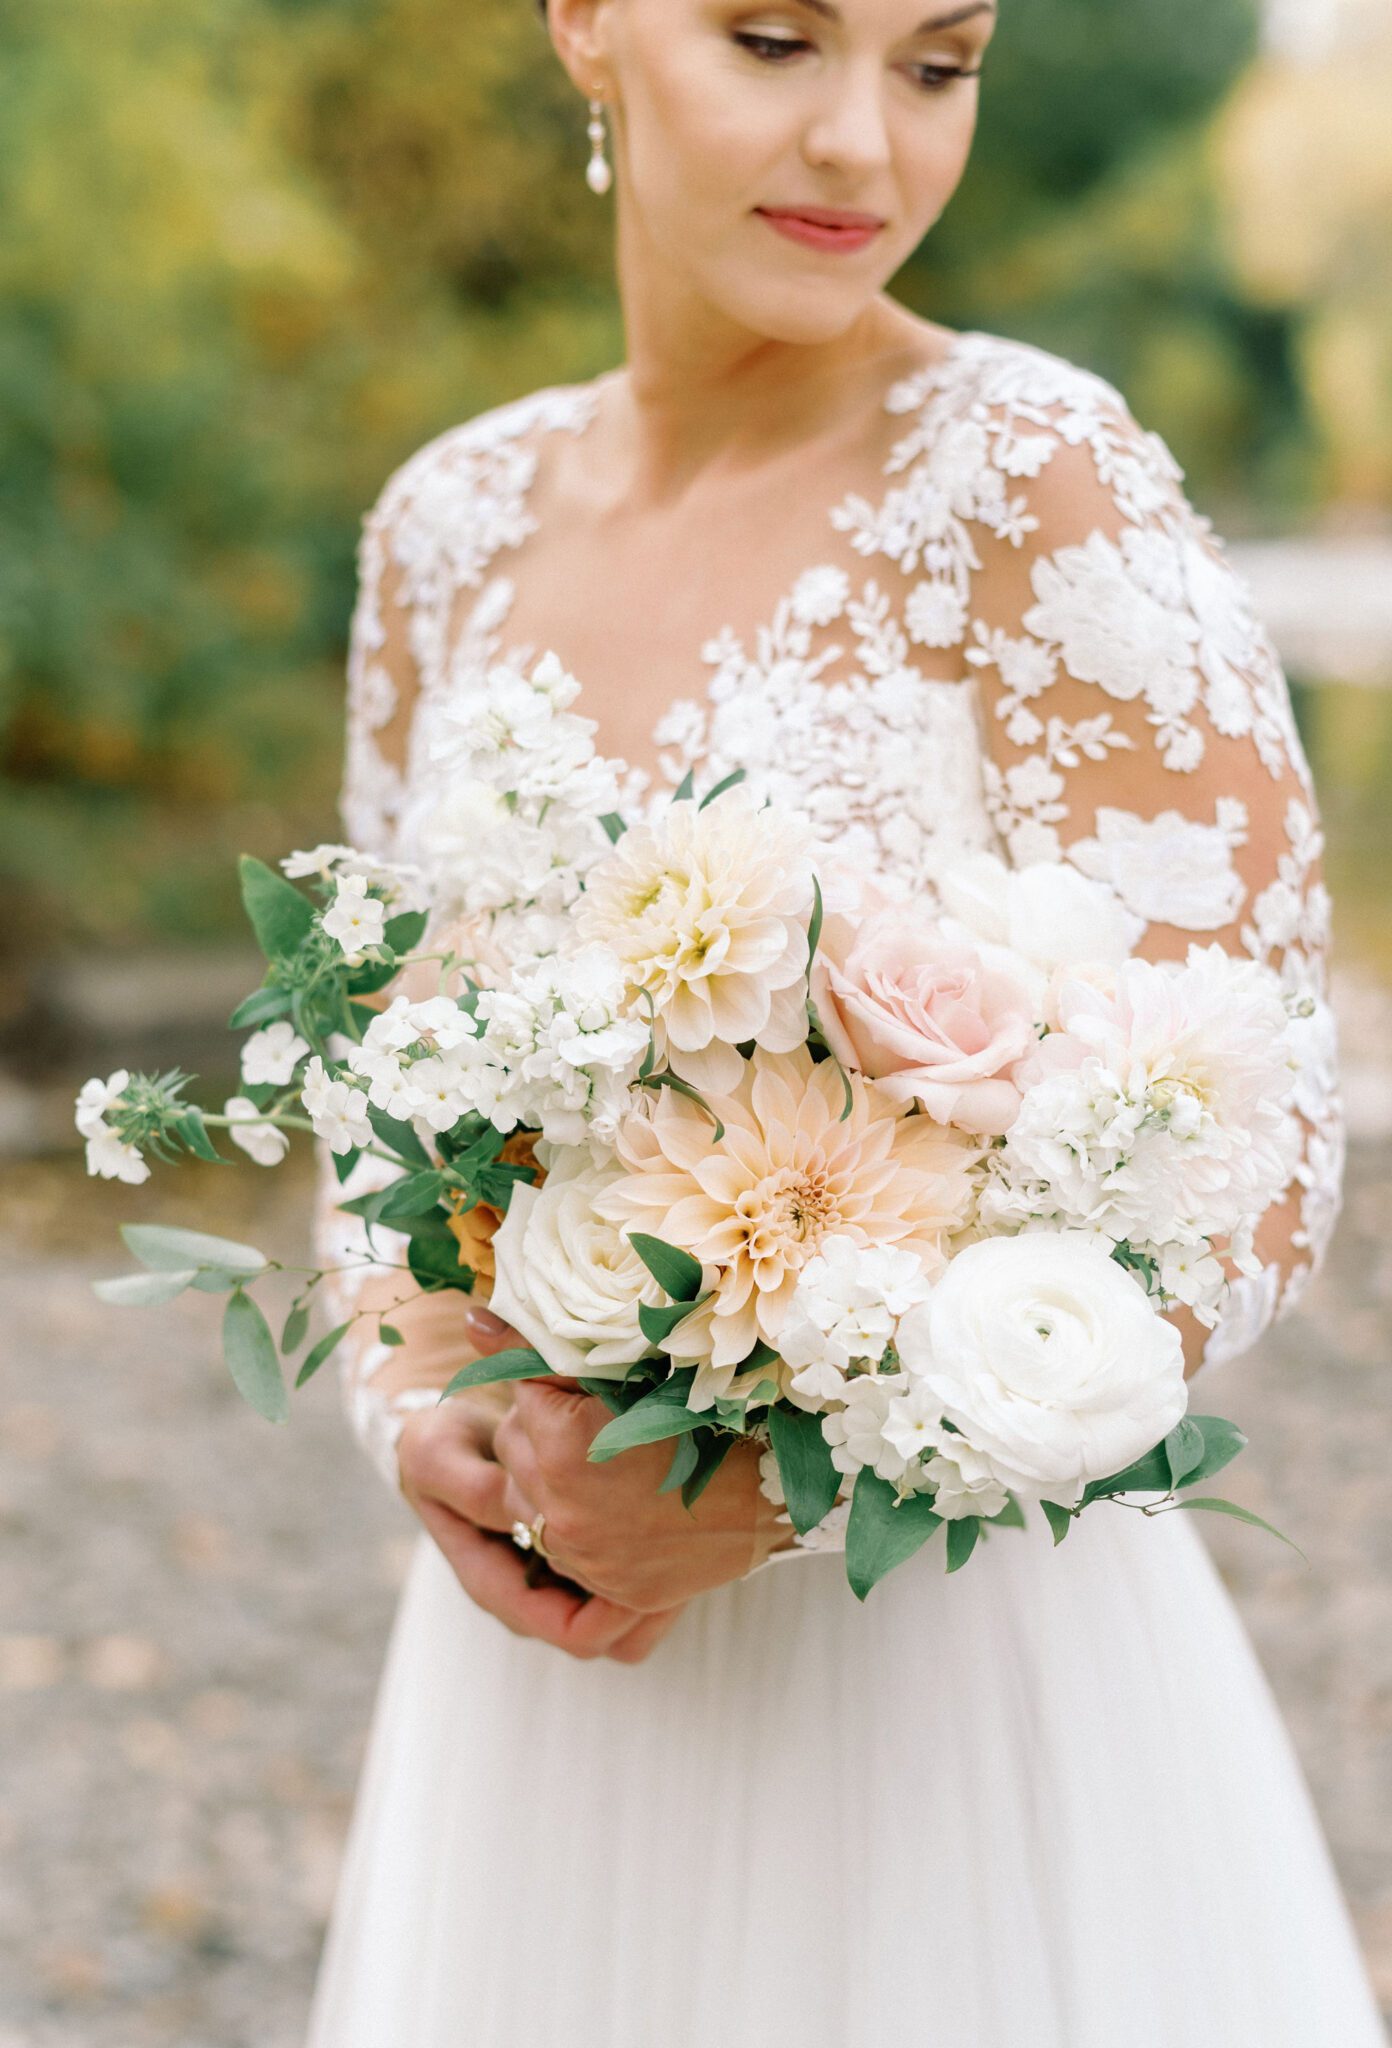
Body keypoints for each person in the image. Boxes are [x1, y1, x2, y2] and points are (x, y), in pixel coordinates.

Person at [303, 1, 1386, 2040]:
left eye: (938, 61)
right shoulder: (445, 530)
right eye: (781, 38)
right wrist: (422, 1413)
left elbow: (1252, 1139)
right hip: (547, 1703)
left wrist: (785, 1486)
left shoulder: (1032, 478)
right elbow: (388, 1095)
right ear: (587, 24)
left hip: (942, 1681)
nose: (866, 151)